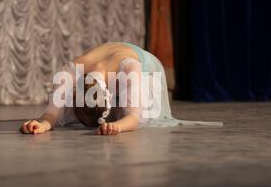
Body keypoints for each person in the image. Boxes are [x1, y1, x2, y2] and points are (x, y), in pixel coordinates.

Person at [20, 42, 222, 136]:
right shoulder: (69, 73)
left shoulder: (130, 69)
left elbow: (134, 118)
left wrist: (118, 126)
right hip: (111, 65)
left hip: (145, 62)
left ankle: (109, 112)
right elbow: (51, 114)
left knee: (135, 109)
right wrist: (44, 124)